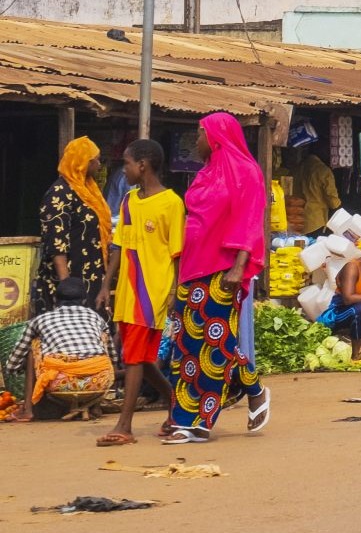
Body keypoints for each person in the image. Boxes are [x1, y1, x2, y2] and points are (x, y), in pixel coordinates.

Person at [163, 112, 271, 443]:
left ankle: (198, 422)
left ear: (216, 137)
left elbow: (250, 220)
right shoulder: (206, 173)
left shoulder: (246, 172)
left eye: (199, 134)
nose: (195, 141)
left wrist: (239, 266)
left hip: (223, 269)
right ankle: (252, 390)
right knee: (187, 344)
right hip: (192, 267)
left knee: (213, 345)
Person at [99, 138, 183, 447]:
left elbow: (177, 253)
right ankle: (178, 403)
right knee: (143, 359)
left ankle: (124, 426)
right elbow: (119, 246)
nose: (125, 169)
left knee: (134, 358)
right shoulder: (129, 201)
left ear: (143, 165)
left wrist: (175, 292)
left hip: (152, 290)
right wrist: (106, 285)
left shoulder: (172, 203)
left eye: (127, 163)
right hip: (127, 291)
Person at [35, 135, 110, 317]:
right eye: (96, 160)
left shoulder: (87, 191)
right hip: (69, 281)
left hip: (90, 278)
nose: (99, 165)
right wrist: (66, 287)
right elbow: (56, 243)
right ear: (84, 163)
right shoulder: (60, 194)